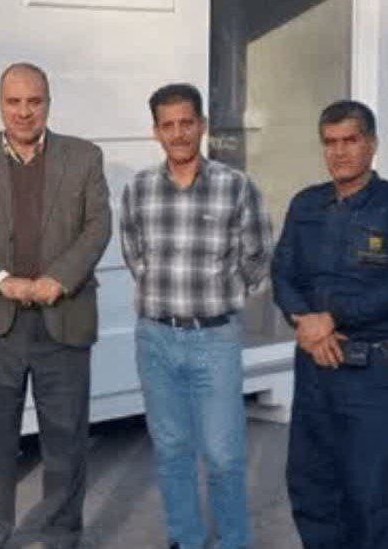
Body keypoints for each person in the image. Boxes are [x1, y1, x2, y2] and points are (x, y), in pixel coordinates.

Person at [0, 62, 111, 549]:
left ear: (48, 104)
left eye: (33, 102)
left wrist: (59, 279)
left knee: (66, 438)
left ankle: (60, 535)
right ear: (0, 105)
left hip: (65, 316)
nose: (23, 112)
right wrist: (2, 280)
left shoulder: (84, 157)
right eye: (13, 102)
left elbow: (98, 226)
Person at [120, 83, 271, 549]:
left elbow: (257, 260)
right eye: (168, 125)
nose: (178, 133)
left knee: (224, 454)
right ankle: (184, 538)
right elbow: (135, 256)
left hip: (214, 339)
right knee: (171, 450)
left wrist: (216, 297)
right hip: (156, 338)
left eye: (187, 123)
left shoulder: (235, 186)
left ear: (202, 125)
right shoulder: (138, 190)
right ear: (155, 131)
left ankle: (233, 541)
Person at [272, 100, 388, 549]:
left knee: (372, 503)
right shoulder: (305, 204)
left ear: (371, 144)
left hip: (374, 375)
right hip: (315, 370)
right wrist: (306, 323)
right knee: (312, 491)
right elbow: (283, 274)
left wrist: (332, 318)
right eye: (330, 142)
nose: (339, 152)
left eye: (350, 140)